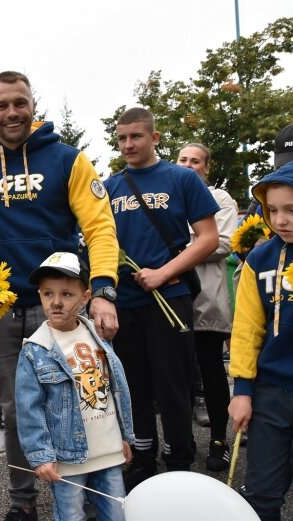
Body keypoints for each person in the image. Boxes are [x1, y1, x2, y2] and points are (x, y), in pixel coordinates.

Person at [0, 70, 119, 521]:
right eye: (1, 105)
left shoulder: (69, 161)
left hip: (62, 306)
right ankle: (22, 501)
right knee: (14, 410)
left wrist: (103, 289)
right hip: (1, 309)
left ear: (33, 106)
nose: (11, 112)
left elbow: (100, 228)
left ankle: (82, 494)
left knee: (80, 401)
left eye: (19, 103)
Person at [103, 108, 218, 490]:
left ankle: (180, 458)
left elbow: (207, 238)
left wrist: (163, 273)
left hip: (171, 296)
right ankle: (143, 457)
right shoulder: (109, 187)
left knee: (173, 384)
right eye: (121, 138)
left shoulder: (182, 178)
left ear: (154, 138)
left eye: (136, 137)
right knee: (133, 383)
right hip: (126, 302)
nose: (128, 145)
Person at [16, 252, 133, 521]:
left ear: (85, 297)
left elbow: (116, 389)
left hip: (109, 451)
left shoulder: (99, 336)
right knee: (71, 516)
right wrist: (41, 456)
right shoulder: (36, 349)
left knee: (117, 513)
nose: (56, 302)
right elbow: (28, 411)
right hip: (67, 459)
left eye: (67, 294)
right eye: (48, 294)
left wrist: (125, 436)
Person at [229, 161, 293, 521]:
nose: (280, 220)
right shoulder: (260, 258)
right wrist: (241, 390)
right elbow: (247, 328)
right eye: (272, 210)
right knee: (261, 492)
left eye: (291, 210)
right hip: (269, 392)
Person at [176, 143, 238, 471]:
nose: (188, 165)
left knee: (212, 370)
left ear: (206, 168)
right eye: (183, 159)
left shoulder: (221, 199)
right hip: (172, 298)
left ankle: (219, 440)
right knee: (179, 374)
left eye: (195, 161)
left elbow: (223, 241)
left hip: (206, 300)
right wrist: (197, 238)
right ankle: (182, 441)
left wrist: (180, 244)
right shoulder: (167, 195)